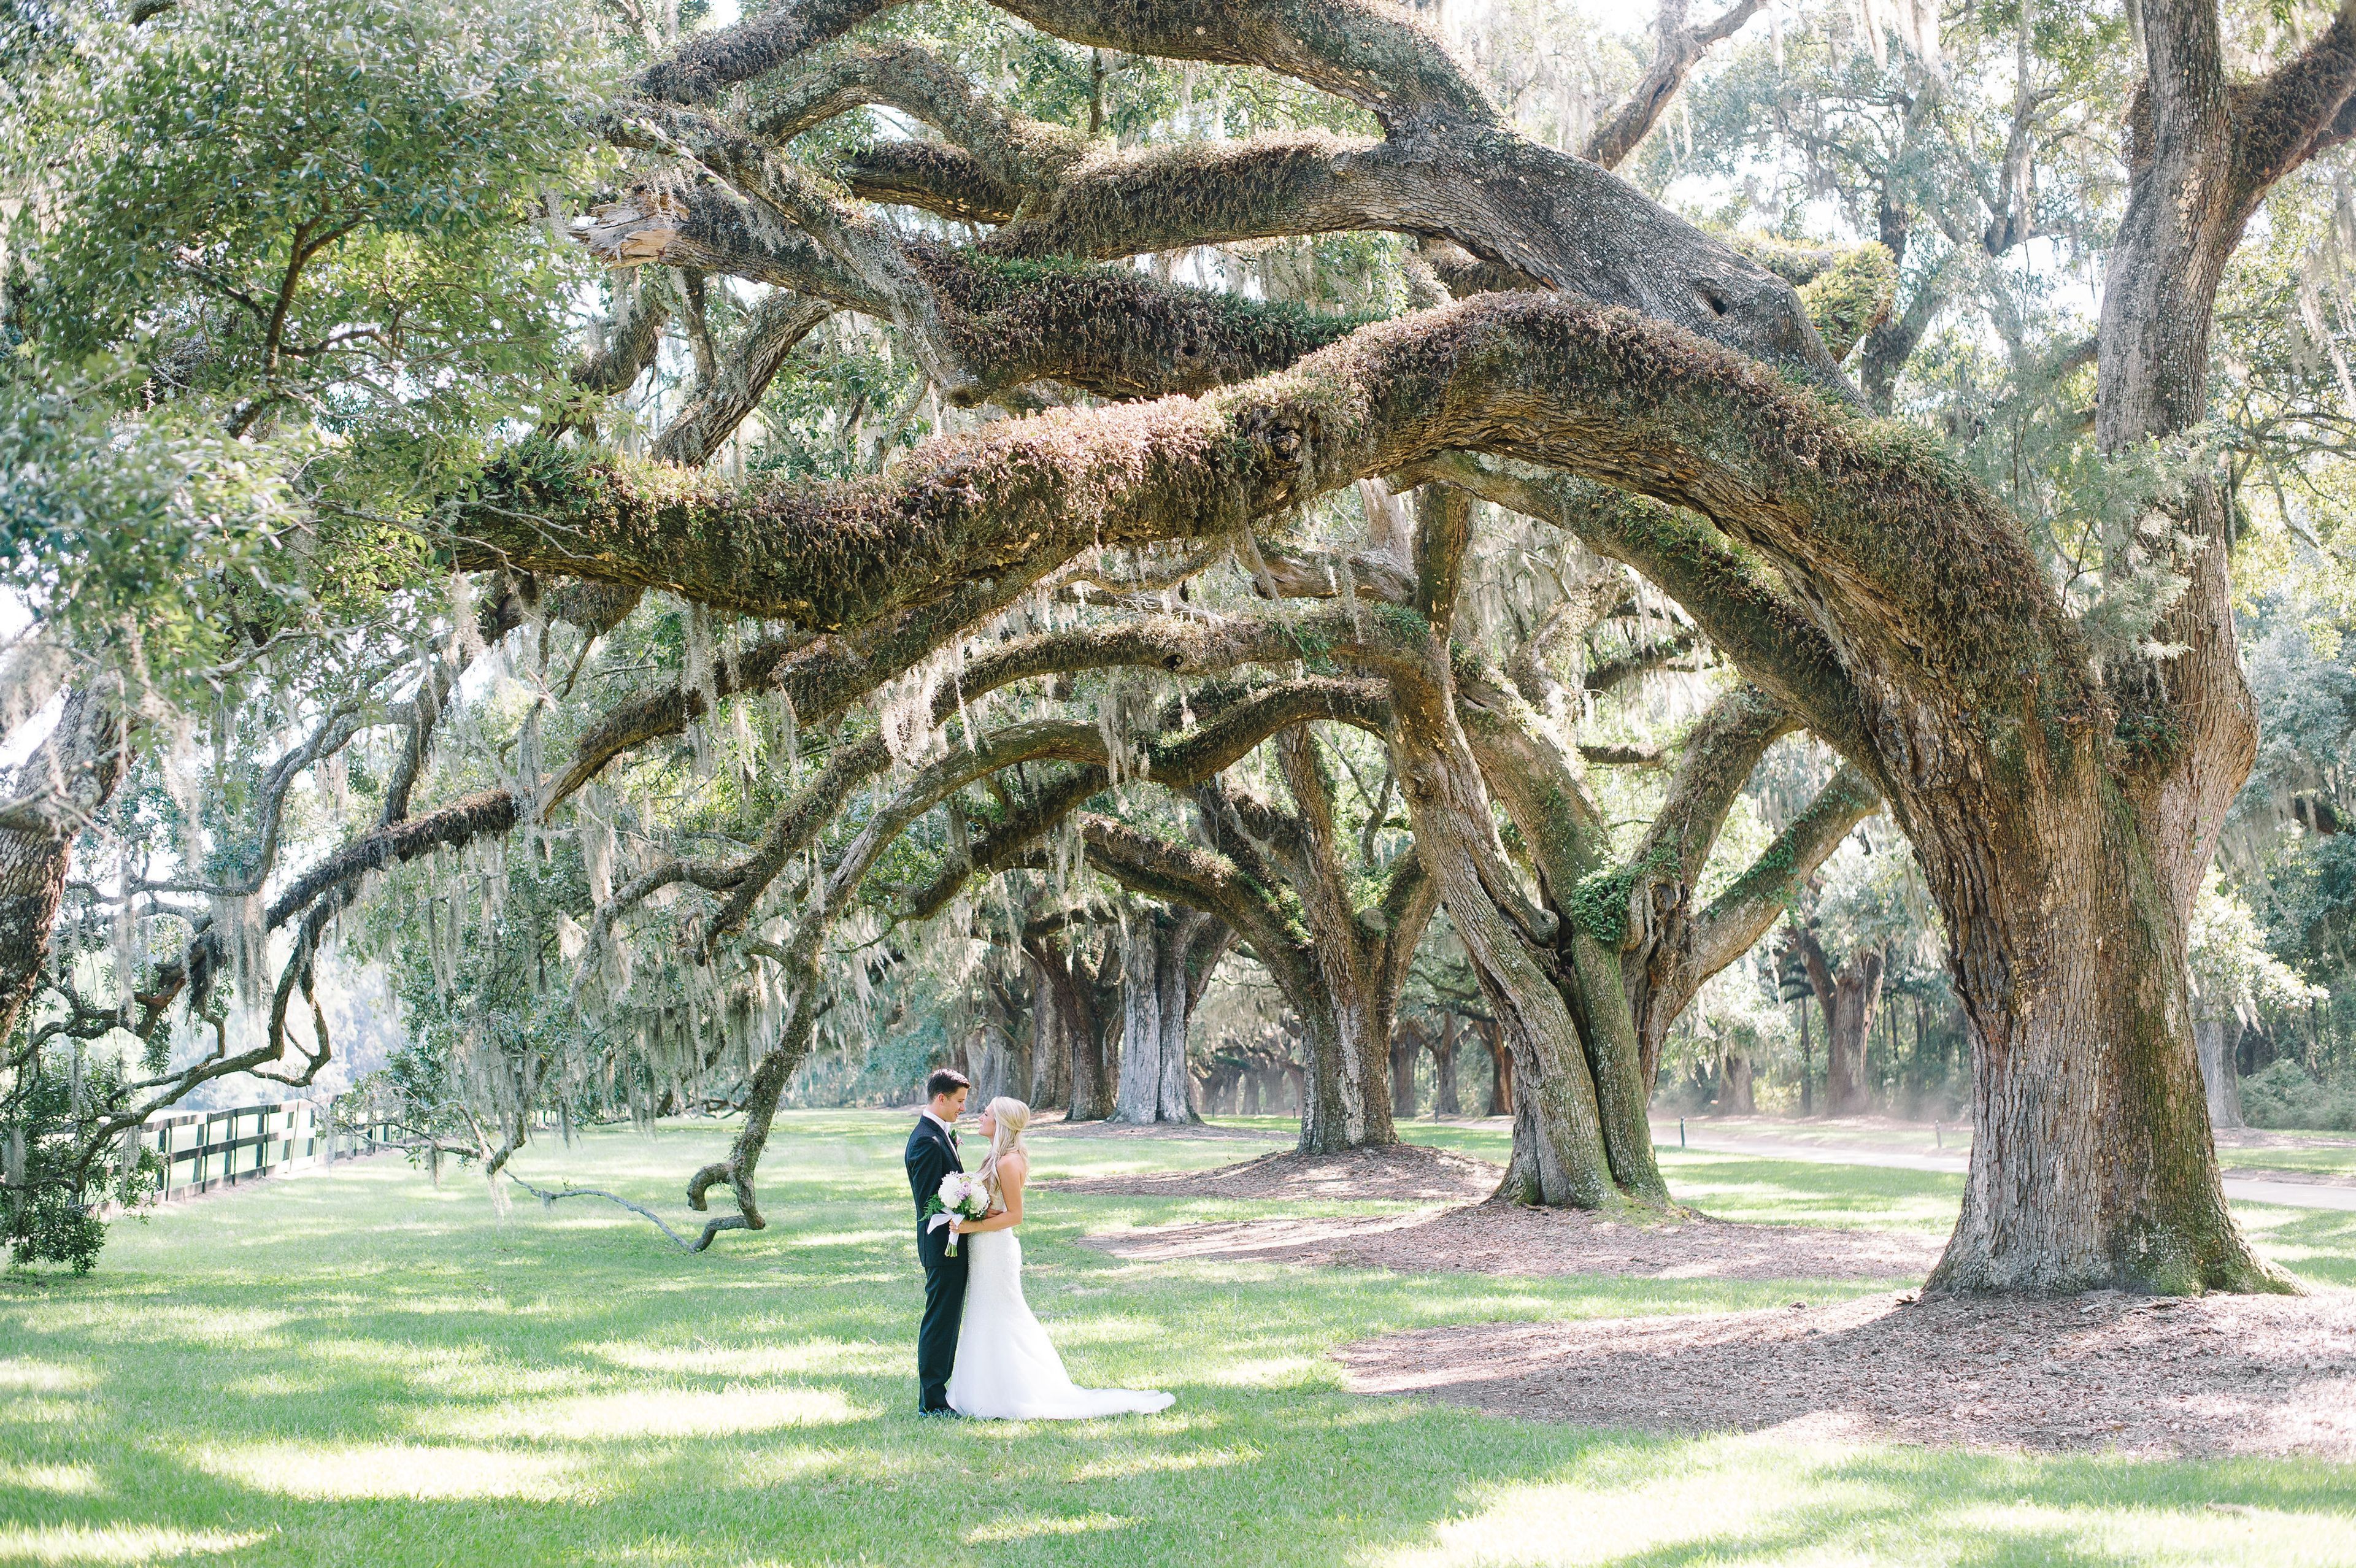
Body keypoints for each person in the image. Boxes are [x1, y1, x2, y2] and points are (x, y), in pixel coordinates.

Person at [944, 1096, 1176, 1420]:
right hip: (985, 1248)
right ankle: (981, 1387)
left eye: (986, 1114)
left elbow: (1015, 1216)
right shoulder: (996, 1156)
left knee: (1001, 1314)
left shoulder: (1009, 1162)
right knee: (983, 1313)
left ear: (1002, 1123)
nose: (980, 1117)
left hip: (996, 1250)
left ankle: (1011, 1391)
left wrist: (969, 1225)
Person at [904, 1068, 969, 1415]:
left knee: (947, 1319)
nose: (963, 1109)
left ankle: (940, 1393)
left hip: (952, 1244)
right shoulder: (927, 1142)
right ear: (940, 1098)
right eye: (959, 1102)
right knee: (940, 1321)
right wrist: (969, 1205)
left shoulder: (938, 1134)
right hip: (942, 1244)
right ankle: (932, 1401)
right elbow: (931, 1202)